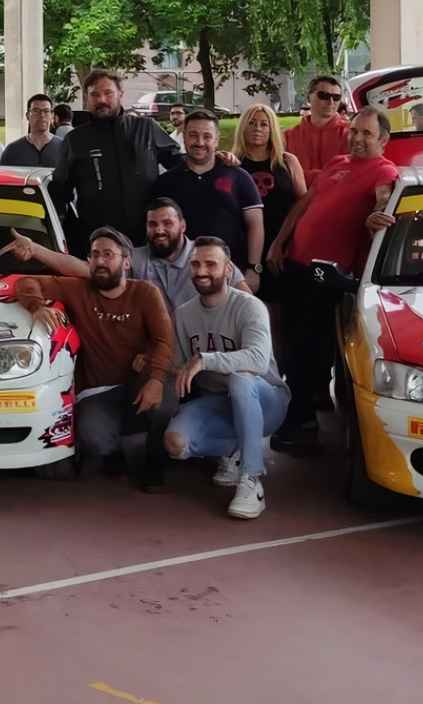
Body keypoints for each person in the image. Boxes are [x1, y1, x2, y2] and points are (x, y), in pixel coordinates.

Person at [266, 106, 399, 454]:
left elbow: (384, 198)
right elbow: (304, 205)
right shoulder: (337, 163)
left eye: (366, 134)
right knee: (291, 344)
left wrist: (378, 213)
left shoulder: (384, 169)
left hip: (328, 276)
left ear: (383, 140)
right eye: (354, 131)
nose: (356, 138)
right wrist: (279, 243)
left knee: (307, 350)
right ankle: (305, 411)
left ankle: (302, 425)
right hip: (294, 266)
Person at [6, 225, 176, 489]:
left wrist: (154, 379)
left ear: (127, 262)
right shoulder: (78, 288)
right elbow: (27, 283)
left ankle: (151, 459)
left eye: (108, 255)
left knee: (162, 401)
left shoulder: (146, 292)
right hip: (99, 390)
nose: (100, 261)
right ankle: (122, 449)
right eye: (95, 255)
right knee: (93, 437)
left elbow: (164, 340)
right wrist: (36, 307)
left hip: (138, 381)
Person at [163, 238, 289, 520]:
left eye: (210, 264)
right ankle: (234, 450)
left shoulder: (250, 307)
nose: (202, 271)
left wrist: (206, 359)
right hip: (218, 403)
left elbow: (257, 360)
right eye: (195, 264)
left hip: (266, 400)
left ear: (228, 269)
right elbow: (178, 366)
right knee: (175, 444)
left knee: (240, 379)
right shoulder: (183, 315)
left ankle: (251, 478)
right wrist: (152, 362)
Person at [50, 69, 183, 246]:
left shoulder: (145, 129)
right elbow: (60, 192)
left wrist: (215, 160)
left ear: (121, 94)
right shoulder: (75, 140)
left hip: (146, 241)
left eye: (108, 93)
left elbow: (181, 165)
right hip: (97, 244)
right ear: (87, 98)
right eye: (95, 95)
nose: (102, 100)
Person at [150, 110, 264, 279]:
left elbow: (255, 225)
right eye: (193, 135)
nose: (200, 142)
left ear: (217, 140)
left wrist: (254, 268)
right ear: (184, 138)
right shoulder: (165, 182)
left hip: (230, 272)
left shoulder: (239, 176)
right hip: (179, 276)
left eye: (207, 136)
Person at [130, 199, 247, 314]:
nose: (159, 230)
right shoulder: (133, 258)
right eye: (152, 224)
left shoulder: (208, 252)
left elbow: (247, 301)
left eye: (167, 223)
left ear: (183, 226)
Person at [230, 103, 306, 264]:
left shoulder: (288, 162)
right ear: (243, 127)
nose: (258, 128)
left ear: (272, 129)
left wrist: (284, 241)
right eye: (252, 123)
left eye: (264, 124)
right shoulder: (232, 164)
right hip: (243, 246)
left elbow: (302, 204)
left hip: (283, 243)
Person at [284, 75, 350, 188]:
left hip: (338, 200)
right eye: (323, 95)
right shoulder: (288, 136)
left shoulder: (351, 133)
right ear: (309, 97)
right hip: (298, 200)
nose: (331, 101)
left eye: (336, 97)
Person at [2, 94, 66, 168]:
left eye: (46, 111)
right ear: (27, 115)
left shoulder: (64, 148)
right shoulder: (12, 150)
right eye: (36, 111)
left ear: (52, 116)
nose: (42, 115)